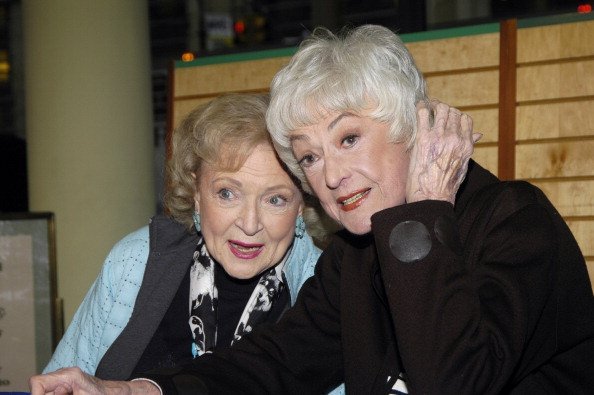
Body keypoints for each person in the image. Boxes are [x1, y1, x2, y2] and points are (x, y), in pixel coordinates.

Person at [31, 24, 594, 394]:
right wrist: (135, 389)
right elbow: (275, 363)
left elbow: (454, 382)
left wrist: (423, 214)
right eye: (309, 156)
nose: (329, 174)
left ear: (410, 127)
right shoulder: (357, 254)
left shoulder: (516, 221)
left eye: (348, 138)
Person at [40, 93, 340, 392]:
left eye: (276, 199)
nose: (250, 224)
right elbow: (63, 382)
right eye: (227, 193)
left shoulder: (329, 290)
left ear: (302, 203)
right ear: (195, 192)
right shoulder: (136, 261)